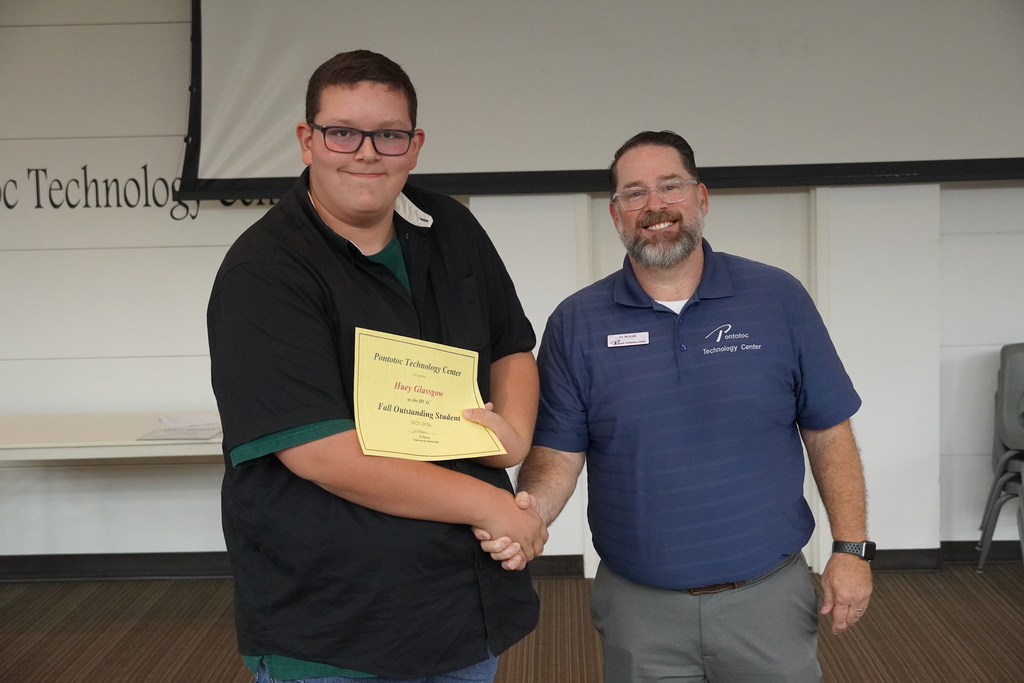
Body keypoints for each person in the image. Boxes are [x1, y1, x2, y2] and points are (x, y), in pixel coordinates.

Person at [479, 130, 873, 682]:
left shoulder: (777, 298)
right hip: (639, 611)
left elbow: (830, 431)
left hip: (768, 601)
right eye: (634, 193)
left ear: (702, 199)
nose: (654, 205)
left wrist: (851, 548)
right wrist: (526, 518)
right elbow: (558, 454)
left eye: (671, 186)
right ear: (616, 215)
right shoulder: (577, 322)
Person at [207, 50, 546, 683]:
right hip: (336, 626)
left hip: (458, 605)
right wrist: (493, 506)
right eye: (343, 132)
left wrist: (514, 441)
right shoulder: (265, 271)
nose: (366, 152)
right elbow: (322, 454)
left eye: (388, 134)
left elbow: (511, 347)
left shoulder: (453, 228)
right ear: (308, 141)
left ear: (413, 146)